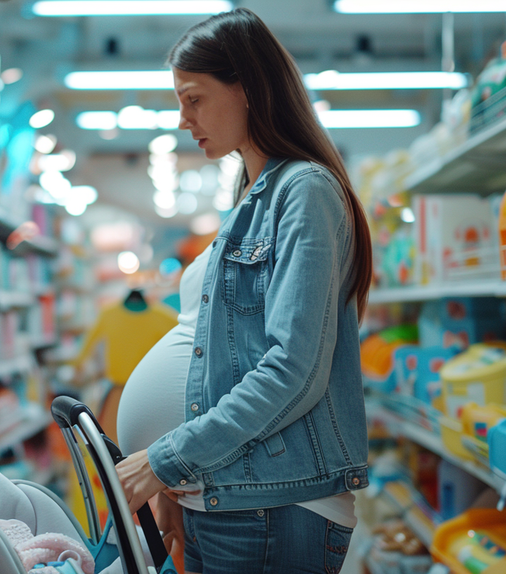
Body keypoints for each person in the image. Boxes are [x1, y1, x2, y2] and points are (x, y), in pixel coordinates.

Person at [113, 8, 373, 574]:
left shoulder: (305, 191)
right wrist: (182, 479)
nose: (184, 119)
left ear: (249, 88)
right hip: (225, 491)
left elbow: (294, 371)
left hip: (273, 505)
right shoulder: (252, 196)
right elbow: (221, 361)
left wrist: (165, 460)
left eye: (194, 98)